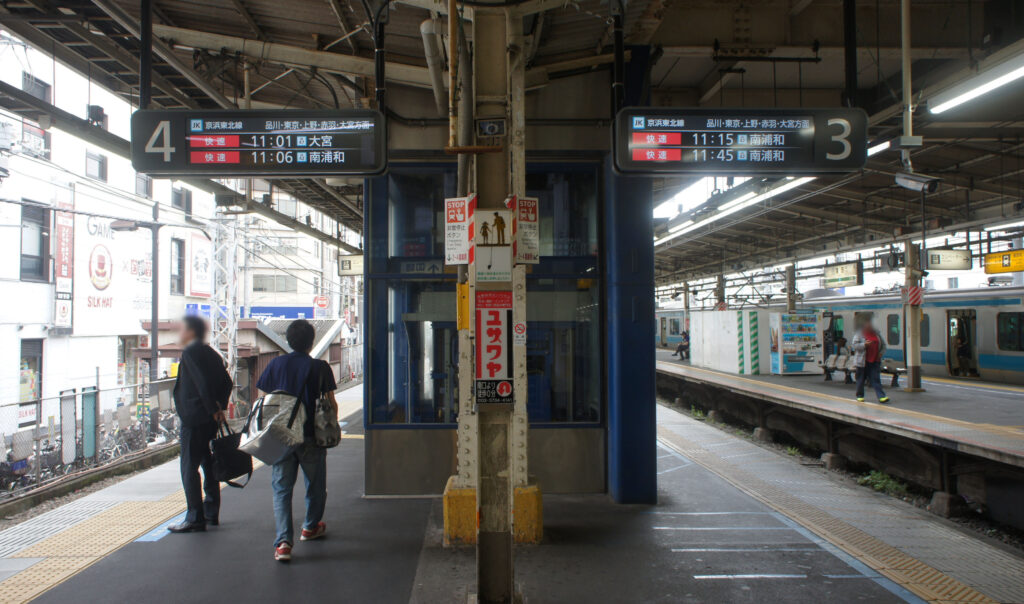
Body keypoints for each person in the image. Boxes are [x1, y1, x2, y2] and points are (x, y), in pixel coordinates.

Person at [256, 319, 339, 562]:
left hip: (282, 438)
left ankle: (283, 543)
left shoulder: (276, 365)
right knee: (315, 485)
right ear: (311, 342)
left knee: (281, 489)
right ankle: (310, 527)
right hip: (311, 436)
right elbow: (331, 403)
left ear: (289, 340)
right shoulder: (321, 367)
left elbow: (264, 400)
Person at [169, 316, 232, 533]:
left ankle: (195, 516)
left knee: (189, 467)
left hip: (194, 419)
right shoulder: (212, 354)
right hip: (209, 421)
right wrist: (220, 407)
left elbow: (201, 384)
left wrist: (211, 409)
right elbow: (227, 382)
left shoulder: (190, 353)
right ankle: (211, 512)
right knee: (208, 463)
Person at [851, 321, 889, 404]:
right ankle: (860, 396)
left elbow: (883, 345)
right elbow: (854, 345)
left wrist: (881, 353)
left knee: (876, 379)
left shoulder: (877, 334)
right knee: (861, 379)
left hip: (875, 361)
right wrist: (864, 345)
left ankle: (881, 396)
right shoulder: (859, 334)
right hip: (862, 361)